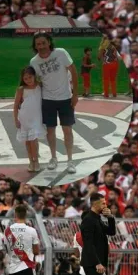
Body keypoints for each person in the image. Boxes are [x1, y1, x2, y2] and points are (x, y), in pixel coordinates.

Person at [29, 32, 78, 174]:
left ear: (49, 42)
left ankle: (70, 160)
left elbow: (73, 72)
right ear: (35, 46)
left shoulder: (61, 53)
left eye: (43, 43)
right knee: (50, 130)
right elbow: (36, 81)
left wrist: (75, 94)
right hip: (47, 99)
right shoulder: (34, 61)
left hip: (65, 98)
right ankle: (53, 158)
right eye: (38, 44)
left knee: (67, 130)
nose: (41, 46)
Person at [80, 193, 122, 275]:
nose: (106, 205)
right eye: (103, 203)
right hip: (93, 263)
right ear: (95, 204)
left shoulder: (97, 219)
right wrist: (97, 262)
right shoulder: (88, 220)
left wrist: (110, 218)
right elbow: (89, 244)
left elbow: (111, 232)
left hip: (96, 262)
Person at [13, 66, 45, 172]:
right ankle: (31, 161)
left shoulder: (40, 86)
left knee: (34, 140)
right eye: (25, 79)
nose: (28, 80)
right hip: (25, 118)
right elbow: (15, 105)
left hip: (36, 117)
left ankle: (36, 160)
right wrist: (16, 119)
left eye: (30, 77)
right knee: (28, 140)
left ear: (34, 76)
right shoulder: (21, 89)